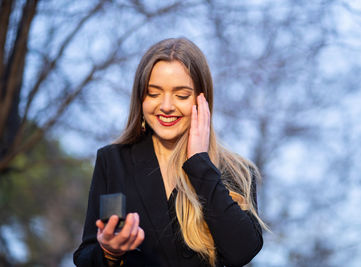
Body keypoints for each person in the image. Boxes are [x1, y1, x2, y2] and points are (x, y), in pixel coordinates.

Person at [73, 38, 266, 267]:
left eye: (181, 95)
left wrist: (199, 163)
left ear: (201, 99)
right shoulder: (113, 161)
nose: (166, 106)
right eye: (153, 94)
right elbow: (85, 256)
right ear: (140, 99)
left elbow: (242, 251)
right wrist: (109, 251)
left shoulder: (236, 171)